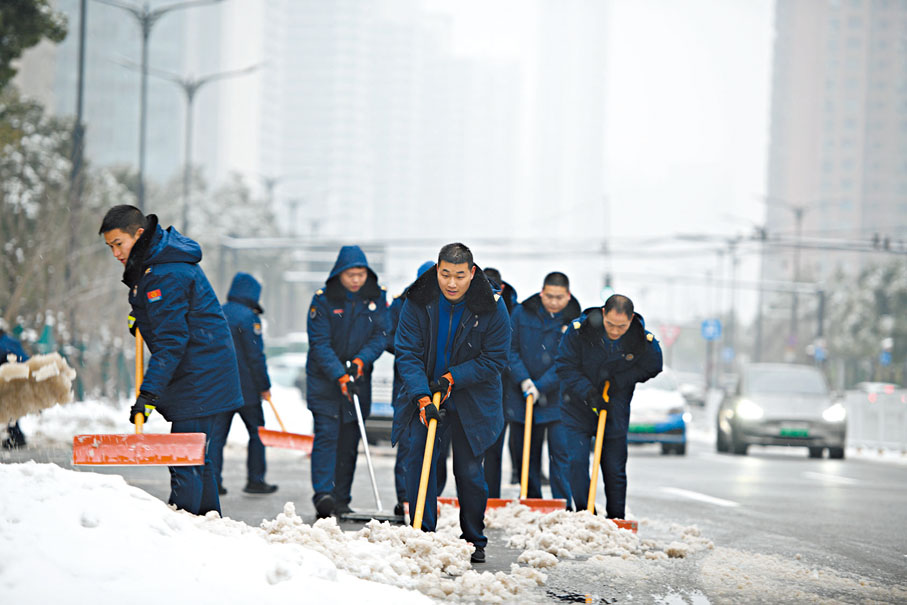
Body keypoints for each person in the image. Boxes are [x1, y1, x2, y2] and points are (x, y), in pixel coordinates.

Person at [99, 205, 243, 516]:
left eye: (119, 244)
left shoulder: (165, 272)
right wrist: (143, 317)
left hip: (200, 378)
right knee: (194, 460)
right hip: (204, 373)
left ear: (139, 234)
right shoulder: (158, 264)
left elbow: (171, 343)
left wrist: (147, 395)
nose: (115, 254)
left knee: (185, 460)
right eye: (110, 247)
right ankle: (208, 526)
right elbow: (173, 320)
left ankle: (186, 529)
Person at [393, 243, 511, 564]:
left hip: (474, 399)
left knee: (469, 472)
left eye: (460, 275)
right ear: (437, 270)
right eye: (445, 274)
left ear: (472, 273)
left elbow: (495, 359)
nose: (452, 283)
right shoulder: (418, 301)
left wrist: (453, 377)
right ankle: (421, 533)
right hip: (425, 395)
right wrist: (420, 396)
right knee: (420, 462)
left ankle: (474, 538)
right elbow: (407, 352)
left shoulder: (492, 306)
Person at [555, 294, 662, 519]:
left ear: (631, 319)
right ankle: (585, 513)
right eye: (610, 324)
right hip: (577, 406)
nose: (615, 331)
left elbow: (653, 365)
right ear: (603, 313)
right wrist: (589, 392)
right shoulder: (579, 331)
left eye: (621, 326)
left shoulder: (641, 338)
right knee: (576, 462)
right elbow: (565, 365)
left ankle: (616, 519)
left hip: (615, 406)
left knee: (614, 469)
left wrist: (620, 381)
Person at [305, 245, 388, 519]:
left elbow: (380, 335)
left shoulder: (376, 299)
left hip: (358, 382)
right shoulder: (324, 300)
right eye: (351, 274)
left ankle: (342, 497)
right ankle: (323, 495)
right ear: (340, 274)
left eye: (361, 274)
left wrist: (361, 362)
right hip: (325, 383)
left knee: (349, 441)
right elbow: (319, 344)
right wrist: (339, 374)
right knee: (328, 437)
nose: (356, 280)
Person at [506, 272, 580, 505]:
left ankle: (562, 503)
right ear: (542, 293)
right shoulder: (521, 313)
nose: (554, 302)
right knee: (527, 453)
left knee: (560, 453)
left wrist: (541, 386)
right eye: (550, 296)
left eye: (559, 297)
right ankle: (532, 501)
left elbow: (567, 360)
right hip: (522, 395)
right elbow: (510, 349)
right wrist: (524, 380)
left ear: (568, 296)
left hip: (559, 399)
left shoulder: (576, 322)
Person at [215, 272, 278, 495]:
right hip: (247, 390)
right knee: (257, 433)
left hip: (221, 387)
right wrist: (264, 385)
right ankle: (255, 479)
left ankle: (214, 481)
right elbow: (255, 356)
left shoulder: (218, 312)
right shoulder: (249, 318)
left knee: (217, 436)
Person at [386, 260, 435, 517]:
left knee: (435, 444)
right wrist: (411, 351)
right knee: (407, 443)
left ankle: (431, 497)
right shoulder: (401, 303)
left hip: (438, 384)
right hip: (407, 383)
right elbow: (388, 337)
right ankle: (405, 497)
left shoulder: (445, 302)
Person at [1, 323, 29, 450]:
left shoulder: (3, 344)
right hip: (19, 378)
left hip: (11, 379)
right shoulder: (10, 341)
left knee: (9, 407)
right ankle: (16, 435)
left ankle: (16, 436)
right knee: (10, 407)